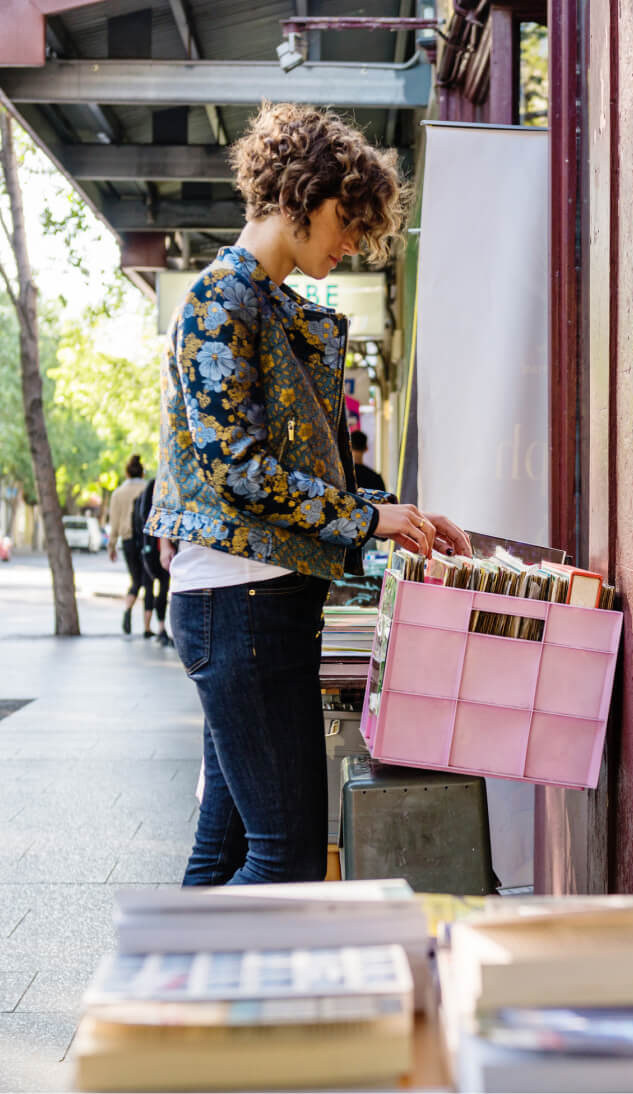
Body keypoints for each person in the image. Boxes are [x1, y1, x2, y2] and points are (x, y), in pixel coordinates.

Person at [145, 102, 471, 887]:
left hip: (251, 601)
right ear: (304, 194)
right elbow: (243, 472)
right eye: (348, 220)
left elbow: (304, 465)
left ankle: (178, 1000)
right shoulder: (221, 303)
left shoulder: (262, 303)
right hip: (240, 603)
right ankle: (163, 996)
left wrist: (400, 517)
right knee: (284, 853)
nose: (354, 241)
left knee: (227, 850)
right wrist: (369, 518)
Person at [107, 454, 152, 636]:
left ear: (126, 473)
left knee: (135, 580)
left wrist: (111, 546)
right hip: (147, 540)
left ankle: (127, 610)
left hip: (127, 541)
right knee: (148, 581)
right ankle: (148, 627)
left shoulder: (118, 493)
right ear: (142, 473)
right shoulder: (148, 488)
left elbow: (114, 522)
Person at [132, 476, 173, 646]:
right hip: (155, 545)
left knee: (153, 586)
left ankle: (153, 627)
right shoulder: (159, 485)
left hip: (150, 545)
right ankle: (158, 627)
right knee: (161, 585)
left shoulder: (155, 485)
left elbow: (140, 517)